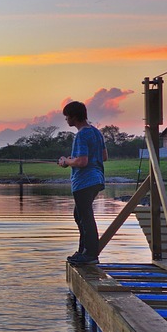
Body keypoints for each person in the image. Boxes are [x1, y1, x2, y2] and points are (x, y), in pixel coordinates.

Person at [56, 101, 107, 265]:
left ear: (74, 116)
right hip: (97, 179)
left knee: (85, 217)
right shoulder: (96, 132)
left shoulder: (82, 135)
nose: (66, 120)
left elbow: (82, 161)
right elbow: (104, 156)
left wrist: (66, 161)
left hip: (84, 182)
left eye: (67, 117)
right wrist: (73, 160)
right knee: (80, 215)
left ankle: (90, 255)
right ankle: (83, 252)